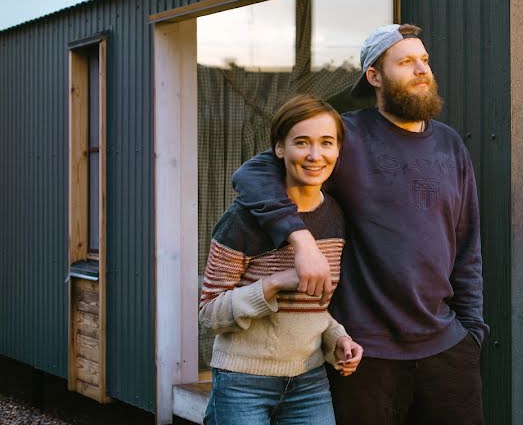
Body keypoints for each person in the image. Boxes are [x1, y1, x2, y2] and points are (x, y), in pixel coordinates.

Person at [232, 23, 488, 425]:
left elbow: (467, 246)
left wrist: (472, 333)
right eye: (405, 62)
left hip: (446, 348)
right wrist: (301, 240)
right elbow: (252, 174)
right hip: (364, 353)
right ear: (375, 76)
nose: (422, 69)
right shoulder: (344, 136)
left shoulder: (449, 144)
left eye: (424, 60)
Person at [199, 94, 363, 425]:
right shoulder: (241, 219)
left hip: (309, 381)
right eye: (302, 142)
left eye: (326, 143)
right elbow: (208, 314)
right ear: (279, 148)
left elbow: (315, 310)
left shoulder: (335, 215)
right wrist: (274, 283)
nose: (315, 155)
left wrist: (338, 339)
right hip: (242, 381)